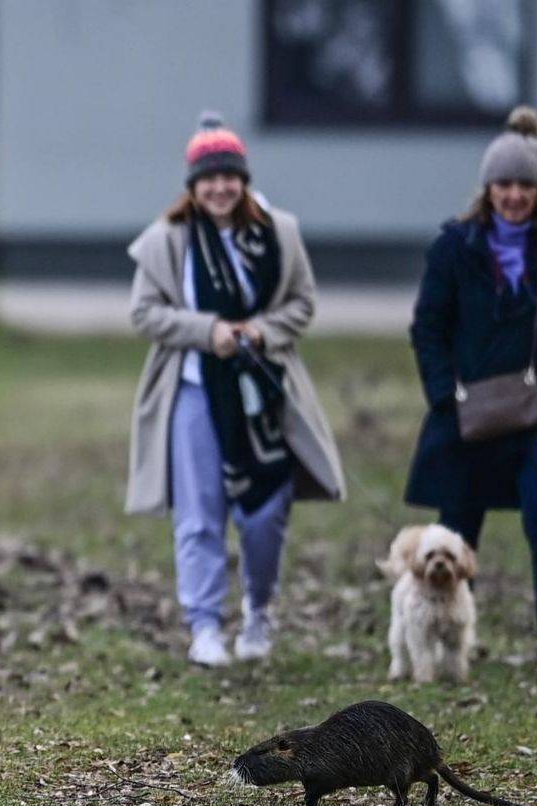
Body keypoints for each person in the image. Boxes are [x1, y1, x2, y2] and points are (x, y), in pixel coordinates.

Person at [125, 111, 345, 667]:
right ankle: (203, 627)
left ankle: (259, 610)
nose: (219, 187)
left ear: (243, 180)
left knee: (267, 511)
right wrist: (209, 332)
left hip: (265, 392)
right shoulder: (167, 240)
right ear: (193, 185)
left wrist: (261, 331)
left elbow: (302, 303)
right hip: (196, 389)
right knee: (198, 514)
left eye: (229, 176)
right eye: (208, 178)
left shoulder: (280, 235)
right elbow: (145, 312)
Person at [406, 105, 537, 674]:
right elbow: (428, 327)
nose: (514, 194)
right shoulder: (454, 247)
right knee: (457, 525)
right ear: (487, 188)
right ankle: (445, 632)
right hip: (469, 414)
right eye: (504, 183)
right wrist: (446, 395)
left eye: (525, 185)